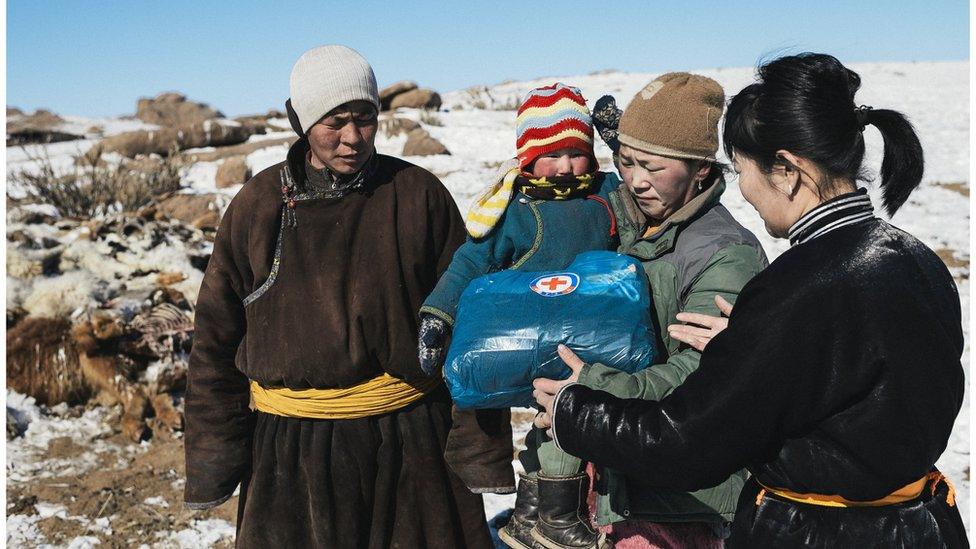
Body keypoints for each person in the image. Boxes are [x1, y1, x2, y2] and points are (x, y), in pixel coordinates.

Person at [535, 53, 967, 548]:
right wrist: (757, 345)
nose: (744, 188)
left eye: (742, 170)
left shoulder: (799, 286)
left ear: (786, 169)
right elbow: (861, 378)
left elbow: (690, 444)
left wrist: (576, 413)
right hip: (921, 526)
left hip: (819, 532)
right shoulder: (915, 260)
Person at [182, 44, 492, 548]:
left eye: (366, 119)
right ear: (300, 121)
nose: (352, 138)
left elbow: (471, 324)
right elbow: (216, 339)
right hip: (291, 455)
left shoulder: (419, 195)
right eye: (335, 121)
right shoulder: (258, 207)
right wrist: (215, 457)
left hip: (411, 443)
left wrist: (479, 449)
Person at [533, 73, 770, 549]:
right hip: (607, 471)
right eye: (626, 161)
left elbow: (701, 374)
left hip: (680, 498)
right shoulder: (616, 218)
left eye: (653, 167)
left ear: (701, 169)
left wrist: (589, 393)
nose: (637, 180)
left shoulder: (726, 254)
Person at [418, 82, 621, 549]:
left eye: (578, 152)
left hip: (598, 334)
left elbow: (646, 183)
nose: (567, 166)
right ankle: (556, 518)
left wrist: (619, 140)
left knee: (568, 423)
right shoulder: (513, 207)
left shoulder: (607, 192)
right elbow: (470, 262)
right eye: (553, 155)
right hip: (535, 336)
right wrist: (438, 314)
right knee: (556, 425)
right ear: (528, 157)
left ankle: (533, 509)